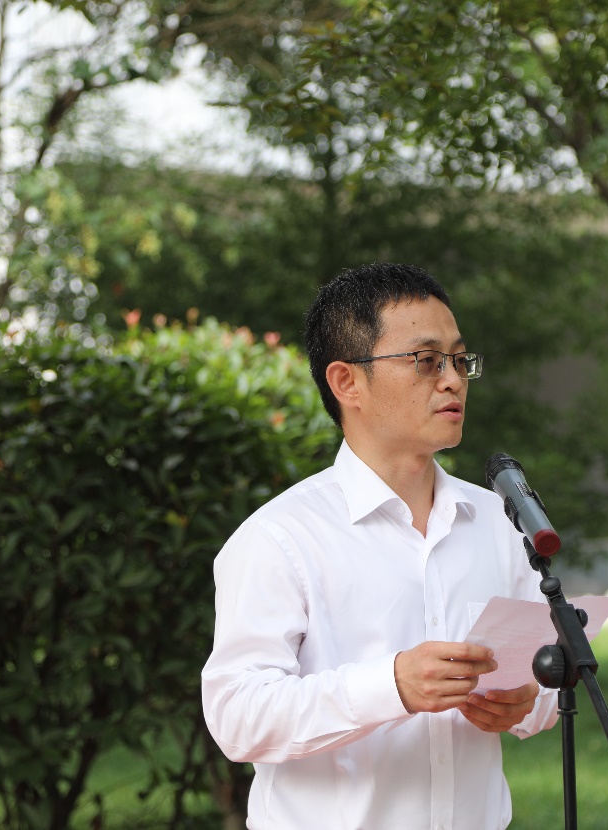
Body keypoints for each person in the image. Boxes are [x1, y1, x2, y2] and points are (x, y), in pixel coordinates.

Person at [201, 262, 558, 829]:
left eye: (459, 359)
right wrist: (390, 686)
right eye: (426, 361)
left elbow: (543, 679)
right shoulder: (279, 537)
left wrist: (526, 700)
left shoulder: (497, 521)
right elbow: (237, 717)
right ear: (347, 383)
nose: (453, 380)